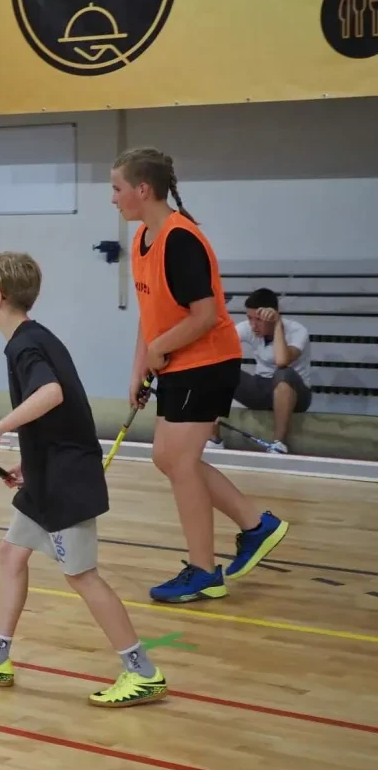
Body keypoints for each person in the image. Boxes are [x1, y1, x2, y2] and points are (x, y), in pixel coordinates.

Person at [0, 252, 166, 707]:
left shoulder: (26, 345)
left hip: (67, 481)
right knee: (11, 554)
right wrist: (30, 461)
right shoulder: (30, 338)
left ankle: (143, 672)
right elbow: (58, 416)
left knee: (82, 576)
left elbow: (51, 394)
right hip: (48, 473)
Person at [111, 147, 288, 604]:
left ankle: (205, 570)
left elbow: (205, 315)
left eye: (117, 188)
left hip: (207, 363)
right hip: (179, 363)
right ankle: (255, 525)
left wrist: (158, 350)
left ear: (142, 189)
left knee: (180, 461)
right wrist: (139, 366)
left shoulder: (180, 239)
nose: (113, 198)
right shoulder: (142, 238)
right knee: (168, 458)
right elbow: (152, 314)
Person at [207, 288, 312, 454]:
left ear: (274, 315)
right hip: (261, 388)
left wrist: (277, 325)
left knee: (283, 374)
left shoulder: (297, 331)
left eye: (259, 319)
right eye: (250, 318)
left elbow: (282, 361)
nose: (253, 325)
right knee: (216, 371)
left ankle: (278, 444)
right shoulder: (248, 328)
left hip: (296, 393)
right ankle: (214, 439)